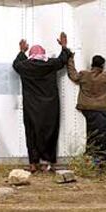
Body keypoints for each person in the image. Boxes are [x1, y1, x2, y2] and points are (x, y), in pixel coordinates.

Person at [13, 32, 71, 173]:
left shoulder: (25, 66)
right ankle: (48, 162)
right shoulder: (50, 64)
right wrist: (64, 46)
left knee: (31, 132)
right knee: (50, 132)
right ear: (43, 54)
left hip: (31, 105)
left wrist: (21, 52)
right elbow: (63, 59)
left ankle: (33, 163)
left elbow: (16, 65)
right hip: (50, 105)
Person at [67, 46, 106, 167]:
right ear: (102, 65)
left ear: (92, 64)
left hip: (88, 111)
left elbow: (72, 75)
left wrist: (70, 59)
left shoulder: (83, 75)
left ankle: (93, 161)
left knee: (93, 136)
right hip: (105, 111)